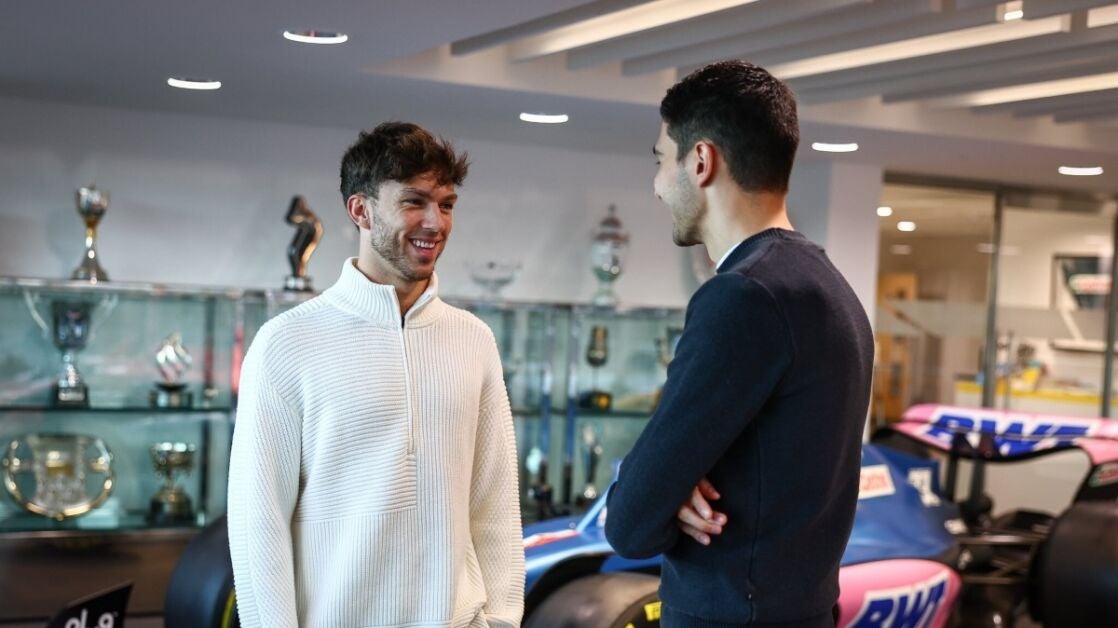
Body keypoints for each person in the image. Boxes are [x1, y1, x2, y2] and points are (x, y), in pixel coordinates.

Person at [603, 61, 874, 627]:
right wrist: (671, 490)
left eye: (661, 161)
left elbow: (630, 522)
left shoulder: (743, 297)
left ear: (701, 161)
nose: (657, 186)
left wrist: (661, 493)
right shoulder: (832, 289)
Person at [228, 122, 524, 628]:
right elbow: (259, 522)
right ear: (360, 210)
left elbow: (494, 503)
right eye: (414, 202)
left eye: (446, 204)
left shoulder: (474, 339)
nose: (435, 222)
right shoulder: (285, 343)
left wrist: (501, 621)